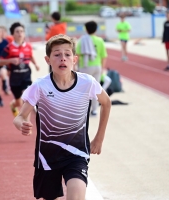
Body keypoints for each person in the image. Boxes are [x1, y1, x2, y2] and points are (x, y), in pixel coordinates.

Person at [13, 34, 111, 200]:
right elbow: (20, 116)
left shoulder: (87, 82)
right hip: (47, 157)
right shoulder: (40, 86)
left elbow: (106, 103)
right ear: (47, 60)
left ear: (74, 59)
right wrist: (21, 123)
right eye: (57, 54)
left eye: (67, 54)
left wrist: (99, 138)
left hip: (77, 154)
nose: (62, 59)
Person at [0, 22, 40, 116]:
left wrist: (36, 64)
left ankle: (26, 121)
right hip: (14, 78)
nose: (20, 33)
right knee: (19, 102)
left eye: (22, 31)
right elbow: (0, 62)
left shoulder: (28, 46)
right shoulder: (8, 48)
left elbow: (31, 56)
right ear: (13, 34)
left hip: (26, 76)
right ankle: (13, 105)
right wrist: (11, 60)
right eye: (17, 31)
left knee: (27, 98)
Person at [76, 20, 108, 116]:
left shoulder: (82, 40)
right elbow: (104, 56)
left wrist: (74, 67)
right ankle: (94, 110)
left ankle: (83, 110)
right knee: (96, 89)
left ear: (86, 29)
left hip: (85, 67)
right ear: (96, 29)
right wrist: (102, 68)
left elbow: (78, 54)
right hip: (97, 66)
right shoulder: (100, 40)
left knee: (84, 89)